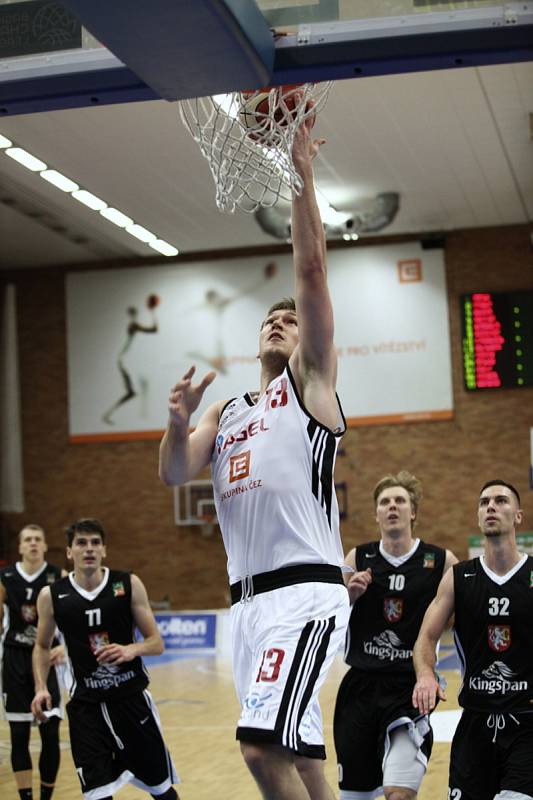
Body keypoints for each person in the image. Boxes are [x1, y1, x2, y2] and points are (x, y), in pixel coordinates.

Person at [159, 111, 350, 800]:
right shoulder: (228, 408)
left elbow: (310, 266)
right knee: (298, 760)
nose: (278, 319)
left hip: (302, 593)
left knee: (256, 750)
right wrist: (176, 424)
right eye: (269, 317)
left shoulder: (312, 385)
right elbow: (175, 473)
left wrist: (299, 172)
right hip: (246, 607)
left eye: (290, 317)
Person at [31, 518, 179, 800]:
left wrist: (130, 650)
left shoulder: (128, 584)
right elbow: (41, 646)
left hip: (130, 700)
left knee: (161, 790)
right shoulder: (51, 596)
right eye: (81, 543)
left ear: (104, 550)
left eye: (95, 543)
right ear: (69, 552)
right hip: (86, 709)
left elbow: (156, 643)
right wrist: (40, 687)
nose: (89, 549)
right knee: (97, 794)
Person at [334, 471, 457, 800]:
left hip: (409, 687)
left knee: (399, 793)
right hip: (359, 688)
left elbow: (468, 612)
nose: (392, 507)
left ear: (413, 511)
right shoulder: (356, 558)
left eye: (400, 501)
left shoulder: (441, 561)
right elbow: (327, 613)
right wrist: (348, 596)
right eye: (384, 502)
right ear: (376, 513)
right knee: (355, 796)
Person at [413, 480, 533, 800]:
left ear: (518, 516)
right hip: (475, 727)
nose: (491, 506)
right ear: (479, 517)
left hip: (527, 725)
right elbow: (426, 637)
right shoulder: (459, 577)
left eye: (500, 501)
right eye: (484, 503)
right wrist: (425, 674)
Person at [0, 523, 65, 800]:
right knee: (19, 734)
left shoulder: (56, 576)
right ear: (20, 546)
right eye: (28, 539)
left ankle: (46, 797)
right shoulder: (5, 577)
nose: (33, 544)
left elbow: (73, 616)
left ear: (45, 546)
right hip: (15, 657)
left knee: (50, 733)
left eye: (38, 539)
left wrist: (67, 648)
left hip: (47, 658)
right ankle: (25, 796)